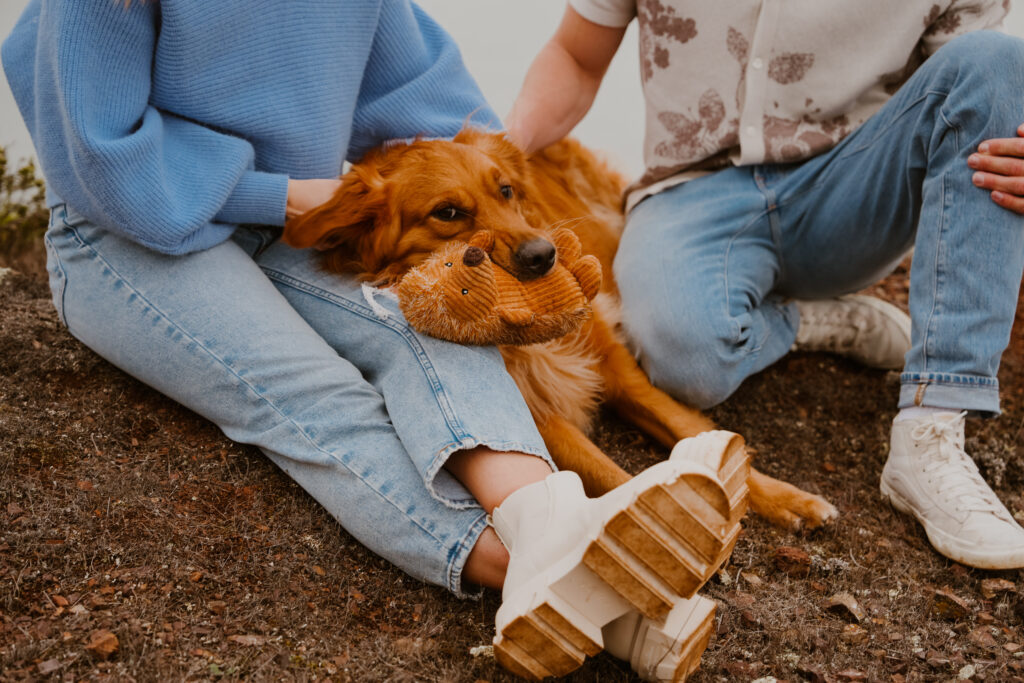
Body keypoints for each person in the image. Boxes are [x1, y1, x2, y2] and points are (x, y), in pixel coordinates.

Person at [2, 0, 744, 678]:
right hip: (132, 230)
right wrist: (282, 194)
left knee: (429, 329)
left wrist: (508, 217)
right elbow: (106, 155)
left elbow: (428, 99)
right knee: (316, 399)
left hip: (295, 219)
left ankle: (555, 537)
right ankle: (593, 596)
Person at [507, 0, 1024, 570]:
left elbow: (982, 103)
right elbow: (576, 60)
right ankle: (813, 321)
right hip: (692, 190)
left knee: (993, 60)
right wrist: (497, 156)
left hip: (850, 184)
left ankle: (934, 425)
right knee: (685, 360)